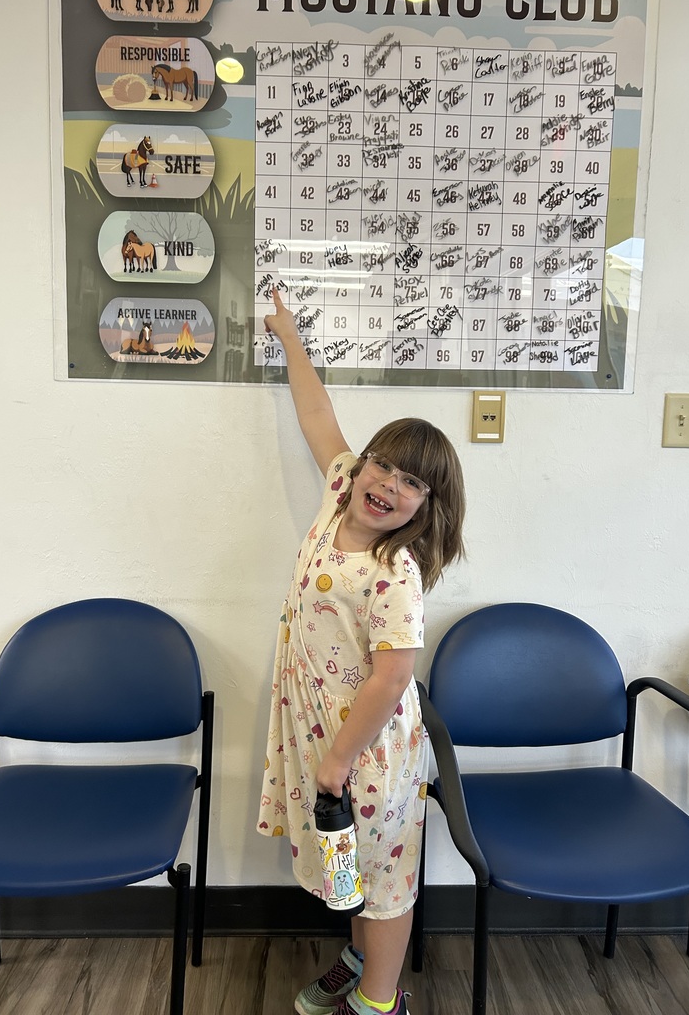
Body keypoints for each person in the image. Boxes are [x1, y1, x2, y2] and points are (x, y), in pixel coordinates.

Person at [258, 287, 466, 1015]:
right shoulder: (342, 485)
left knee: (384, 881)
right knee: (354, 865)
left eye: (412, 484)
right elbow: (318, 414)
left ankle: (382, 1001)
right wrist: (289, 339)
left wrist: (341, 757)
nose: (387, 485)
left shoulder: (393, 573)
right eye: (386, 465)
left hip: (369, 749)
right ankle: (361, 958)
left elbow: (392, 678)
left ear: (425, 509)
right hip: (327, 733)